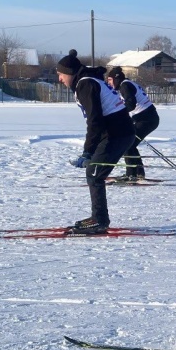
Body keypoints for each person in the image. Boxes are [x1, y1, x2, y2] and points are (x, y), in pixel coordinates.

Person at [56, 49, 135, 233]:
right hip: (116, 132)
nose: (59, 79)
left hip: (118, 133)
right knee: (94, 172)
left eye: (60, 75)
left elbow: (95, 120)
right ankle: (98, 218)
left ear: (69, 73)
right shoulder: (88, 81)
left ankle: (99, 220)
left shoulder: (85, 84)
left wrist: (88, 151)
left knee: (94, 173)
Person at [107, 66, 160, 181]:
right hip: (145, 118)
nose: (109, 83)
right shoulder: (126, 84)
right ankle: (138, 172)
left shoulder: (124, 86)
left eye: (110, 80)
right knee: (130, 144)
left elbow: (131, 104)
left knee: (127, 143)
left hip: (146, 119)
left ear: (116, 79)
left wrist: (120, 115)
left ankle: (132, 174)